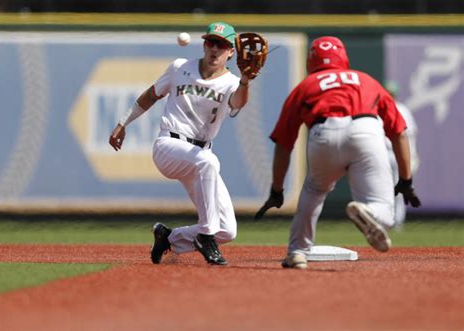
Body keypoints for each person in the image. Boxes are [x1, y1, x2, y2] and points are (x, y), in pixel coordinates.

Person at [255, 36, 421, 269]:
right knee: (384, 212)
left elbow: (284, 144)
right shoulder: (366, 80)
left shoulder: (306, 85)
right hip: (367, 131)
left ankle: (297, 252)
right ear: (343, 57)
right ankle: (368, 210)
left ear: (311, 60)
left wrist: (277, 189)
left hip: (323, 132)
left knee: (314, 190)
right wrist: (406, 180)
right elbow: (399, 132)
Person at [109, 22, 255, 266]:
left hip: (198, 157)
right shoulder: (179, 67)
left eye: (222, 45)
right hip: (169, 146)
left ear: (231, 52)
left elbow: (238, 103)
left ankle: (169, 237)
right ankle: (205, 239)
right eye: (211, 42)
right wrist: (123, 122)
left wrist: (246, 81)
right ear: (204, 44)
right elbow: (151, 95)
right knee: (209, 162)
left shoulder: (232, 82)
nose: (215, 49)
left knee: (228, 230)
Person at [384, 80, 420, 228]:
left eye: (392, 93)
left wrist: (412, 155)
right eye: (389, 93)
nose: (390, 96)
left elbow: (409, 135)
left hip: (398, 154)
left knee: (399, 188)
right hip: (385, 153)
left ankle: (397, 221)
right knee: (385, 188)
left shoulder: (403, 110)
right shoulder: (381, 109)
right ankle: (385, 220)